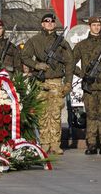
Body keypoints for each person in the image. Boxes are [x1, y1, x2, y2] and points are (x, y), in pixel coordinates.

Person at [20, 12, 72, 155]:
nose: (49, 23)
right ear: (42, 24)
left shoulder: (62, 42)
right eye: (47, 21)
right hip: (40, 82)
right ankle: (44, 143)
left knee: (55, 114)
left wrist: (68, 82)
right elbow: (24, 56)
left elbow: (70, 62)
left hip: (56, 81)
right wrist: (36, 65)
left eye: (52, 21)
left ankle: (55, 144)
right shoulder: (35, 40)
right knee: (42, 114)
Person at [75, 18, 101, 155]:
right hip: (90, 87)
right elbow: (70, 62)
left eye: (99, 25)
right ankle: (92, 144)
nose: (97, 27)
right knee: (91, 116)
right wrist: (83, 75)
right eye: (94, 25)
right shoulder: (82, 45)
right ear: (90, 26)